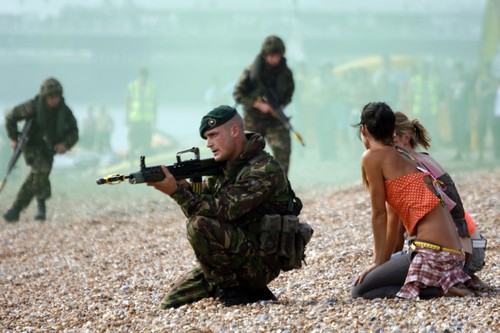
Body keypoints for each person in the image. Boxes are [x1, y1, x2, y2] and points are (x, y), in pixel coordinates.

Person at [147, 105, 306, 308]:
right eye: (206, 138)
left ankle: (233, 293)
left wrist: (175, 192)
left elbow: (221, 210)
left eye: (213, 135)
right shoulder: (227, 167)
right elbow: (202, 198)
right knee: (171, 303)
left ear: (234, 131)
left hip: (261, 262)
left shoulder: (264, 169)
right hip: (234, 256)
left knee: (198, 225)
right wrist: (184, 187)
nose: (209, 144)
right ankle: (253, 292)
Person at [351, 102, 471, 300]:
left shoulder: (372, 157)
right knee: (375, 280)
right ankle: (441, 286)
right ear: (392, 130)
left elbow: (379, 214)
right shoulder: (405, 156)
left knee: (360, 290)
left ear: (363, 129)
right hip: (453, 256)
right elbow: (393, 219)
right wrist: (384, 262)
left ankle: (440, 290)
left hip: (432, 254)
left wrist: (377, 262)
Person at [392, 111, 489, 290]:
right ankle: (468, 278)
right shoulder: (425, 159)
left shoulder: (412, 167)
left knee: (388, 274)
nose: (386, 146)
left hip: (458, 256)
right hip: (473, 250)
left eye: (390, 138)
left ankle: (454, 281)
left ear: (405, 138)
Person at [3, 77, 79, 222]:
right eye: (51, 96)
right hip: (31, 146)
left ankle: (20, 210)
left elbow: (74, 132)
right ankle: (33, 208)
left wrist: (65, 144)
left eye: (57, 96)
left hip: (50, 149)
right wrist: (14, 138)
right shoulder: (32, 107)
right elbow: (11, 118)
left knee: (38, 176)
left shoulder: (65, 112)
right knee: (41, 170)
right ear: (45, 97)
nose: (54, 99)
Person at [233, 35, 295, 175]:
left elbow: (289, 93)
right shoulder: (251, 72)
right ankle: (248, 184)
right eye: (270, 56)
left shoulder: (286, 74)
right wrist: (258, 104)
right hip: (254, 118)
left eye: (276, 56)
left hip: (275, 119)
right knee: (248, 153)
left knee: (283, 149)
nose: (273, 59)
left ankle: (281, 184)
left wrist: (281, 107)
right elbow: (238, 93)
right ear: (265, 55)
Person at [126, 68, 157, 161]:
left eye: (144, 77)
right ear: (139, 76)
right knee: (133, 142)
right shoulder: (132, 86)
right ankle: (131, 162)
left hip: (146, 120)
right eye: (141, 77)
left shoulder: (152, 87)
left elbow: (154, 104)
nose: (143, 79)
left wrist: (155, 118)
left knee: (145, 142)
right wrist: (126, 117)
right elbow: (127, 102)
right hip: (135, 120)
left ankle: (143, 163)